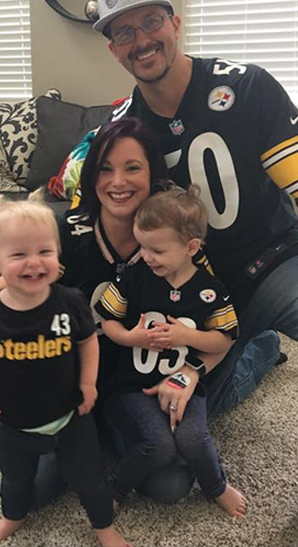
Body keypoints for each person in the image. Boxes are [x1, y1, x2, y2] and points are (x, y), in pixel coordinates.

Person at [92, 0, 298, 546]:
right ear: (113, 49)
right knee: (183, 422)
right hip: (189, 292)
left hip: (274, 264)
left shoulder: (246, 86)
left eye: (151, 22)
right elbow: (101, 211)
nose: (142, 39)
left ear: (175, 23)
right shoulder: (125, 127)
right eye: (124, 32)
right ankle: (255, 352)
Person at [0, 118, 213, 505]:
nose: (117, 181)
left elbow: (212, 324)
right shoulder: (65, 234)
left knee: (170, 486)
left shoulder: (175, 242)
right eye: (105, 169)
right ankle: (100, 431)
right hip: (75, 385)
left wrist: (191, 372)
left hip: (140, 385)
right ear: (91, 175)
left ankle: (255, 357)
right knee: (32, 491)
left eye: (132, 167)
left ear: (154, 174)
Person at [0, 192, 129, 547]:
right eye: (19, 254)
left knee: (91, 479)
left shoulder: (71, 302)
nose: (34, 263)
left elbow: (88, 341)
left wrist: (88, 383)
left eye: (44, 251)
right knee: (16, 481)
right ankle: (12, 517)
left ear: (57, 254)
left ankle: (104, 528)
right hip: (12, 425)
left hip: (71, 418)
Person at [96, 185, 247, 518]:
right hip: (135, 387)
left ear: (191, 247)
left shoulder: (209, 290)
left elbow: (225, 339)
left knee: (194, 438)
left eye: (157, 250)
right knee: (160, 446)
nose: (147, 256)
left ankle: (215, 487)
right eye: (142, 247)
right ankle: (114, 488)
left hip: (186, 384)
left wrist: (186, 336)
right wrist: (131, 338)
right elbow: (108, 321)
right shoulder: (134, 277)